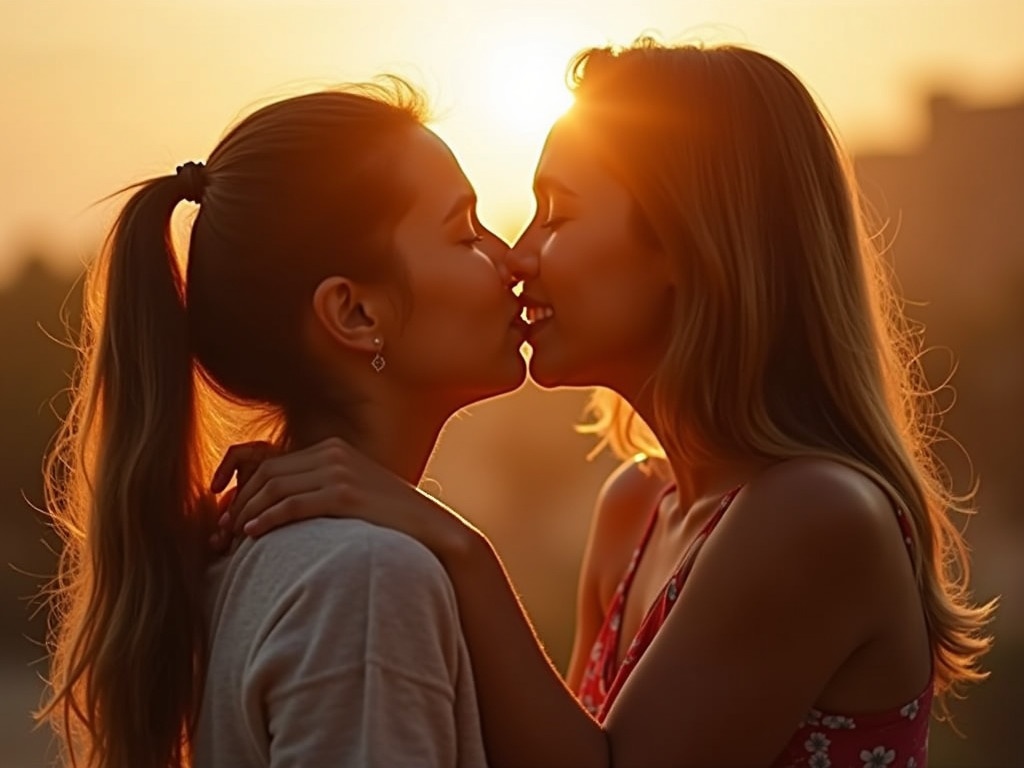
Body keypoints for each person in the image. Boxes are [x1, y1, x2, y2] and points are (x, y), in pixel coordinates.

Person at [219, 41, 996, 767]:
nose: (519, 256)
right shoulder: (635, 509)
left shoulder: (817, 515)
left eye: (556, 214)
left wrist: (455, 547)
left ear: (683, 246)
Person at [38, 80, 528, 768]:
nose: (511, 261)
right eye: (465, 233)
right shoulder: (365, 580)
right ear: (356, 315)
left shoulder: (270, 556)